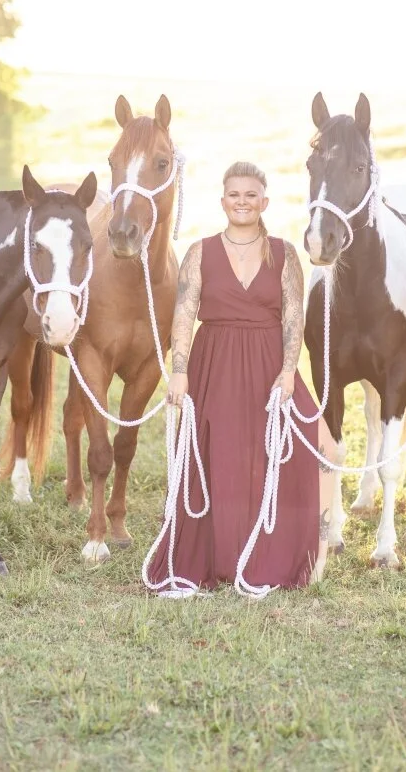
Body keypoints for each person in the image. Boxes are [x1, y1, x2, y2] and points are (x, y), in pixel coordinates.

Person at [144, 162, 337, 593]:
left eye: (251, 195)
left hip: (270, 364)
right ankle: (217, 558)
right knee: (220, 458)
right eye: (235, 194)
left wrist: (289, 372)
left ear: (264, 202)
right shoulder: (200, 252)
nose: (243, 202)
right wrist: (179, 372)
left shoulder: (284, 254)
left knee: (314, 446)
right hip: (214, 361)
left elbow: (293, 316)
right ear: (223, 200)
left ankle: (304, 554)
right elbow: (184, 313)